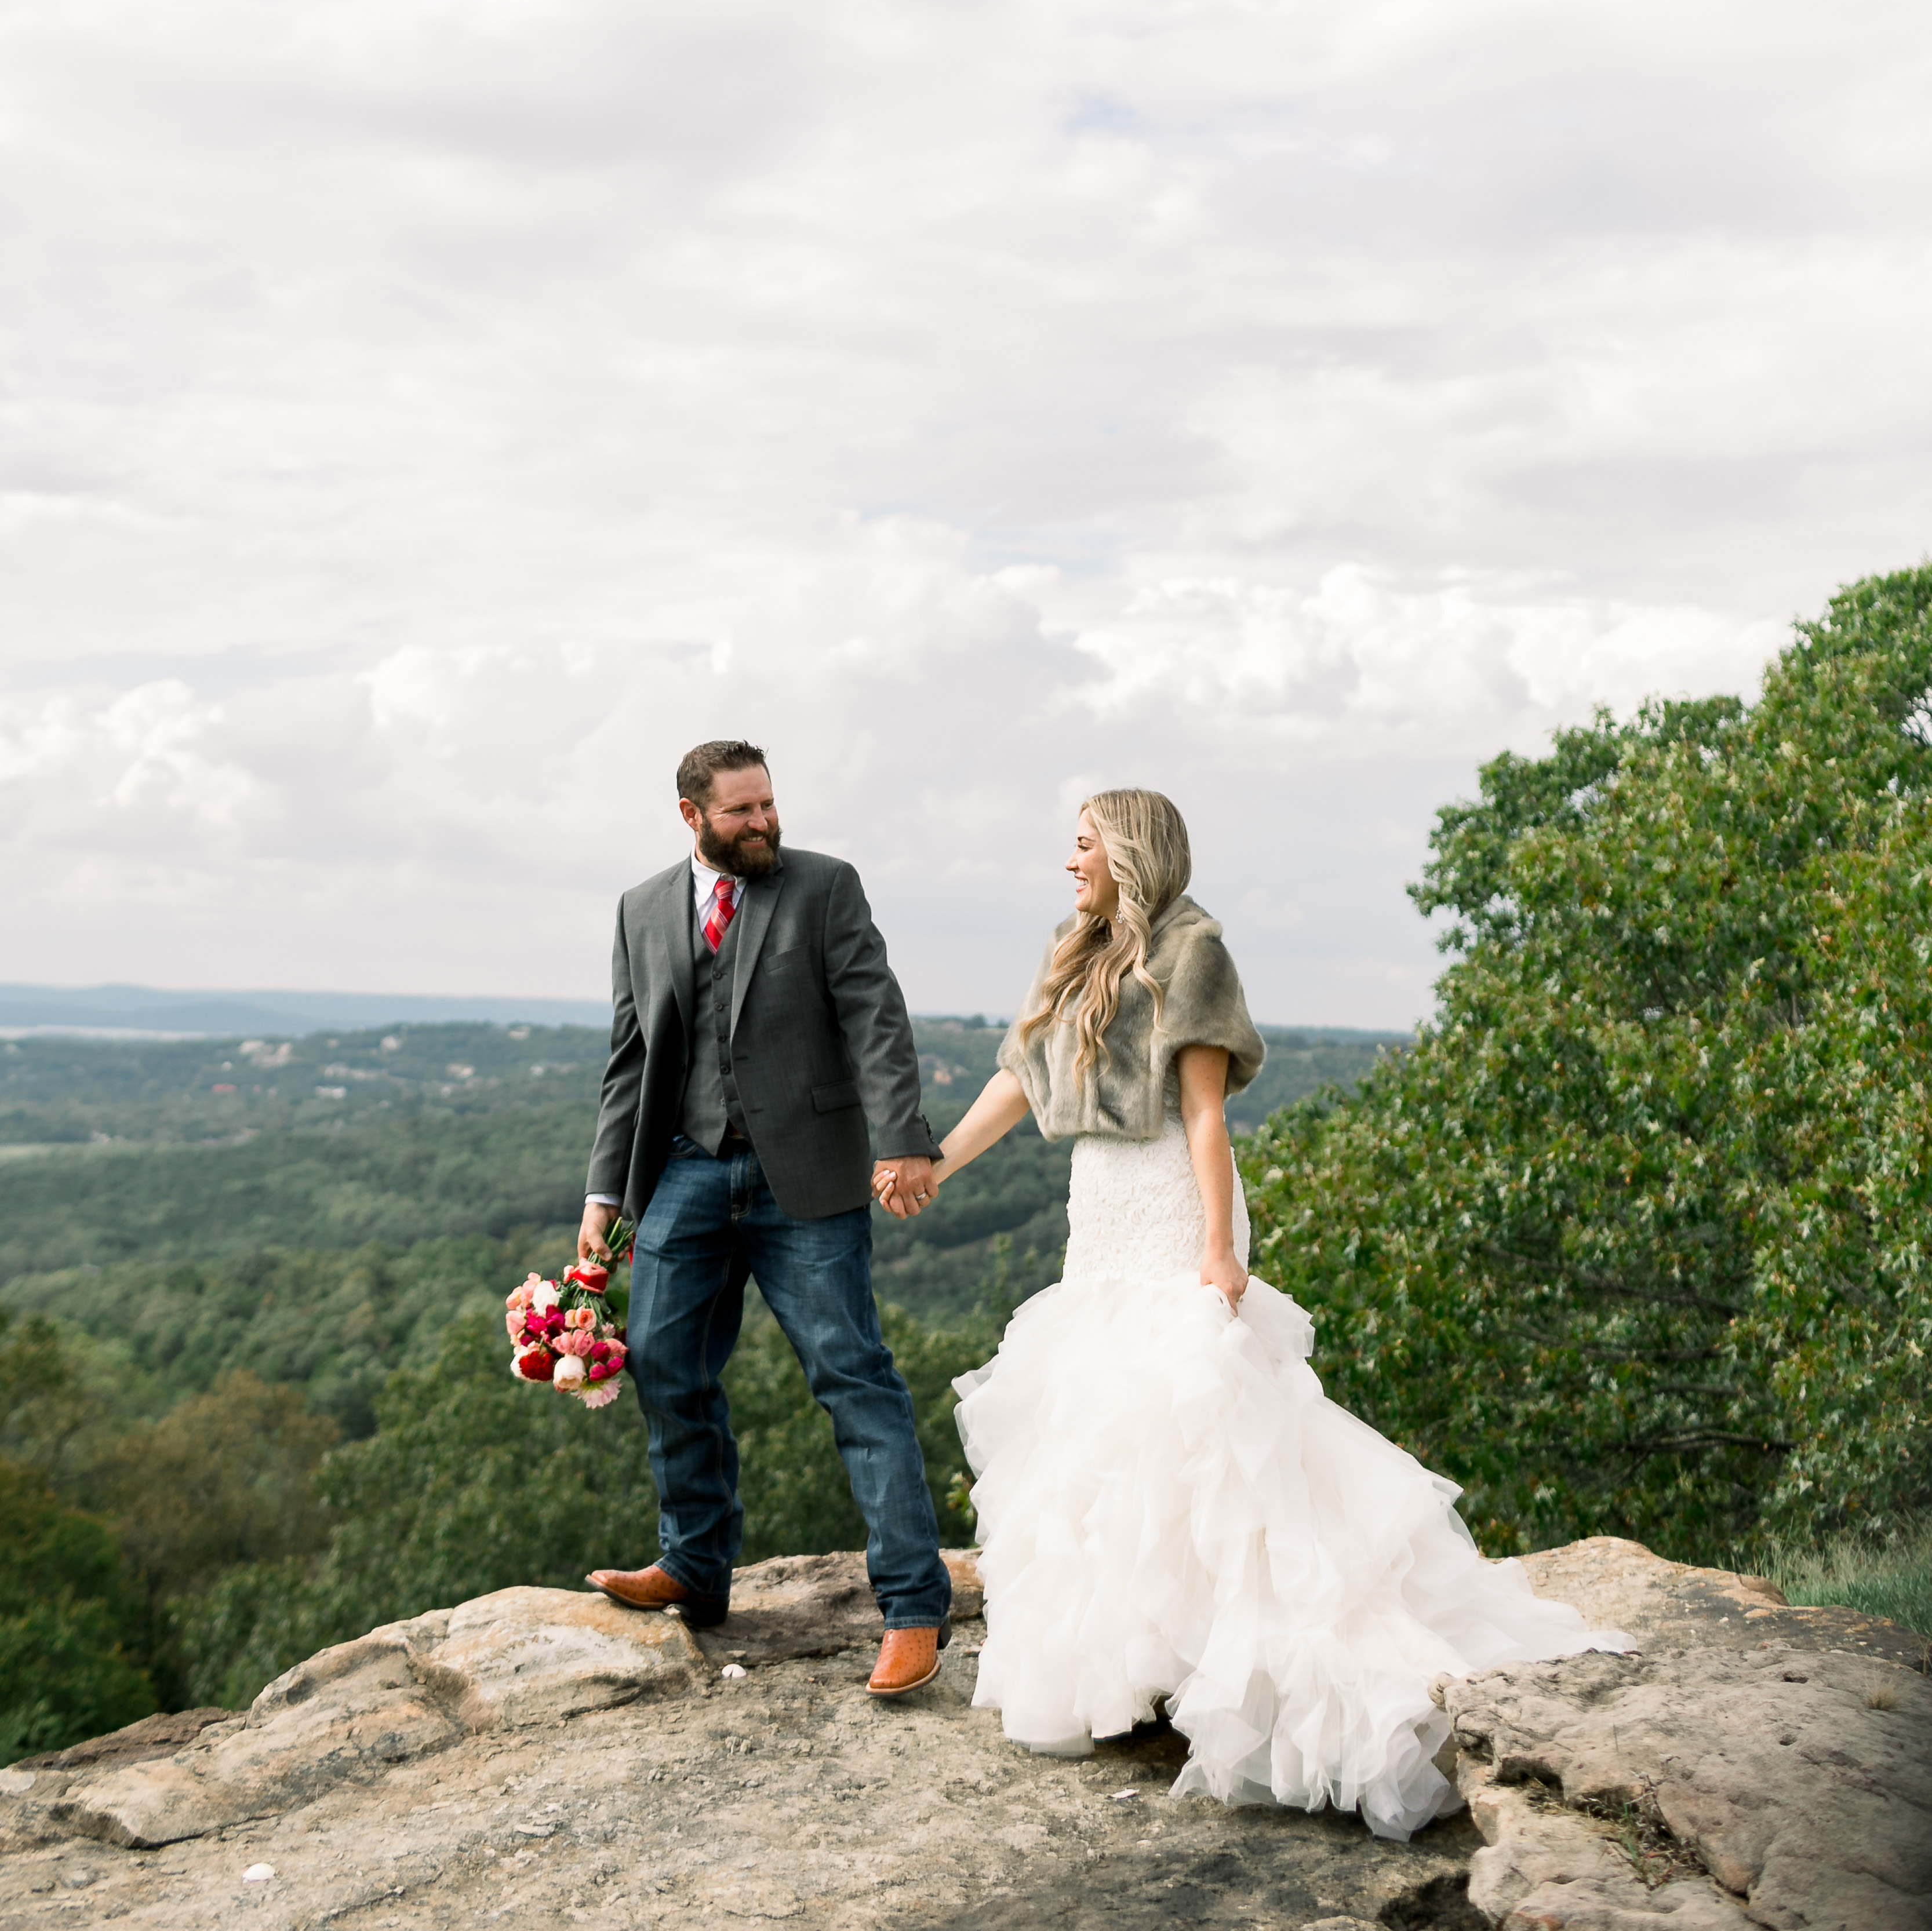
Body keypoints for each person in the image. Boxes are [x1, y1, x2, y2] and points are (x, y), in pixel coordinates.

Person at [874, 787, 1631, 1837]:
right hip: (1097, 1204)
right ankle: (1129, 1675)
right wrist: (936, 1167)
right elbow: (1022, 1075)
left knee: (1199, 1426)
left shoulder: (1195, 952)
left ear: (1128, 853)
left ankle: (1238, 1669)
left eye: (1083, 846)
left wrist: (1218, 1250)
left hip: (1173, 1201)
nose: (1069, 864)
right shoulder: (1075, 946)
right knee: (1101, 1432)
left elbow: (1203, 1112)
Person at [580, 739, 954, 1695]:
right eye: (741, 811)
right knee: (663, 1365)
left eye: (769, 805)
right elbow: (632, 1060)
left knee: (853, 1376)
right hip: (686, 1174)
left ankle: (913, 1607)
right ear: (691, 815)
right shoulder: (641, 909)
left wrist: (902, 1137)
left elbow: (876, 1015)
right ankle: (695, 1568)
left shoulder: (826, 888)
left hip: (809, 1182)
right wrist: (604, 1195)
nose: (763, 823)